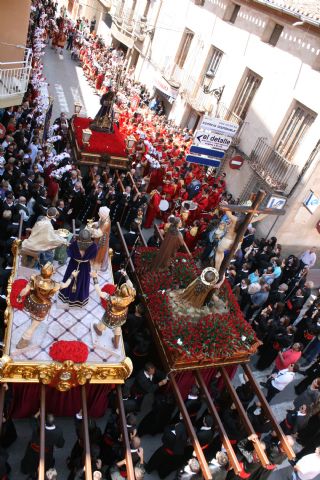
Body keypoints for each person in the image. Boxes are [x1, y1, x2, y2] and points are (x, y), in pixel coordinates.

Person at [15, 262, 78, 349]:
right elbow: (66, 285)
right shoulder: (54, 285)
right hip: (42, 308)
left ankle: (33, 319)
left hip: (30, 302)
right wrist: (72, 275)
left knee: (33, 317)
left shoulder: (35, 278)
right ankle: (23, 342)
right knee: (33, 327)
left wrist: (19, 296)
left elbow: (25, 290)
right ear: (52, 273)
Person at [92, 269, 136, 348]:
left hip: (112, 315)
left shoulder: (115, 299)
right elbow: (130, 284)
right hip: (122, 314)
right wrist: (125, 274)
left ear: (121, 293)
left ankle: (99, 330)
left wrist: (95, 278)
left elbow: (99, 292)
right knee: (118, 326)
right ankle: (116, 343)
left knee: (104, 322)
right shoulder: (131, 294)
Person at [58, 229, 98, 308]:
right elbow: (93, 256)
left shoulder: (74, 244)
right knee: (82, 282)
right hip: (85, 266)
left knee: (69, 279)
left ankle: (66, 297)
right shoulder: (94, 246)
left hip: (73, 265)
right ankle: (79, 300)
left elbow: (69, 252)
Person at [21, 412, 64, 478]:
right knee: (46, 464)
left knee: (30, 463)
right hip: (47, 452)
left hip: (33, 451)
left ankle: (29, 471)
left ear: (45, 421)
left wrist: (38, 413)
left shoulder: (38, 428)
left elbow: (32, 421)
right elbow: (60, 445)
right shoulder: (58, 431)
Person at [88, 206, 111, 272]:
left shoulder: (107, 223)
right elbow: (99, 223)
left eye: (100, 213)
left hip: (102, 240)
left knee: (99, 253)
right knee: (95, 250)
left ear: (103, 214)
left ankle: (96, 268)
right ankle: (92, 262)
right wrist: (93, 224)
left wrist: (91, 229)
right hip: (98, 239)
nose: (98, 214)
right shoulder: (103, 217)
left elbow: (99, 233)